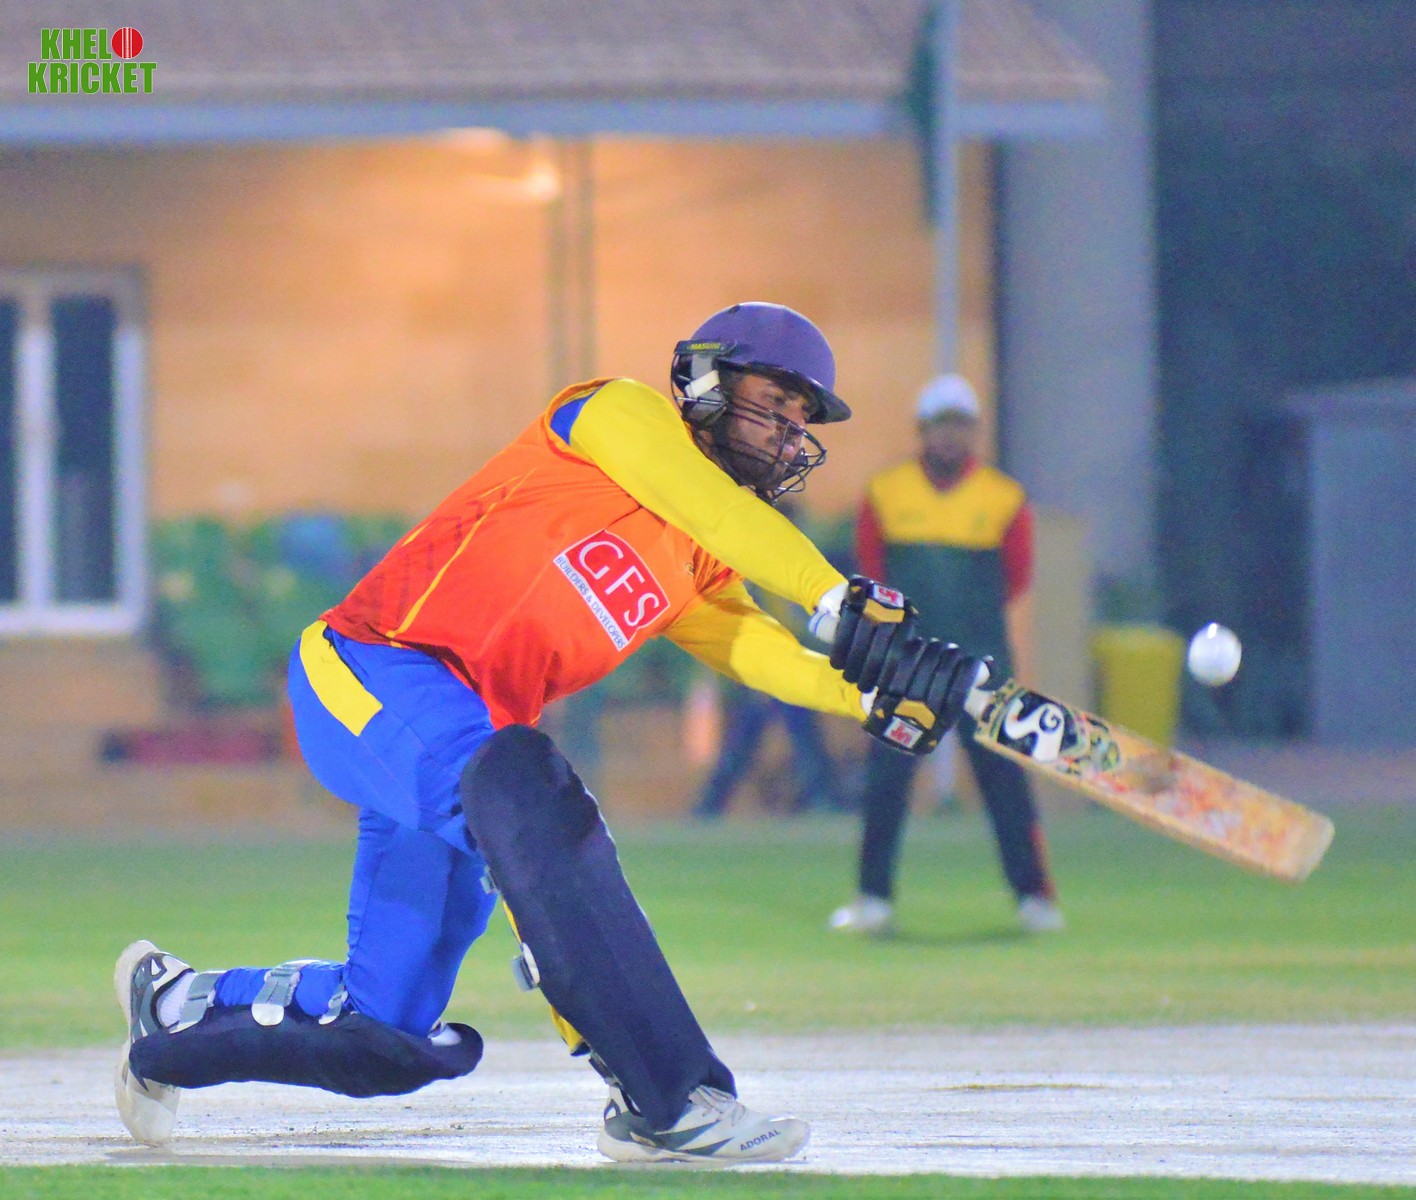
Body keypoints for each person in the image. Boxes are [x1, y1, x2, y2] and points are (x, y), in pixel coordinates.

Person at [113, 302, 988, 1164]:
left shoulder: (702, 553)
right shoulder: (616, 413)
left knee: (382, 1035)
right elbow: (721, 515)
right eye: (775, 401)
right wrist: (835, 595)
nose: (788, 433)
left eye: (800, 420)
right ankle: (662, 1097)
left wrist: (866, 699)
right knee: (539, 817)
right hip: (375, 668)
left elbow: (747, 642)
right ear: (708, 381)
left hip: (470, 738)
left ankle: (176, 1010)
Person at [829, 373, 1064, 938]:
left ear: (975, 431)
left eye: (961, 424)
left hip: (984, 667)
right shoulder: (886, 493)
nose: (951, 436)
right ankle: (873, 898)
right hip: (908, 664)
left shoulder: (1004, 499)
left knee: (1005, 782)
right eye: (941, 424)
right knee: (887, 783)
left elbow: (1016, 579)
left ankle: (1035, 898)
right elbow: (872, 572)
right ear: (922, 430)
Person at [692, 499, 842, 818]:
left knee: (779, 737)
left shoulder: (785, 565)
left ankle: (710, 807)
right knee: (768, 738)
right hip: (764, 665)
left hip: (784, 664)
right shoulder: (757, 566)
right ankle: (711, 807)